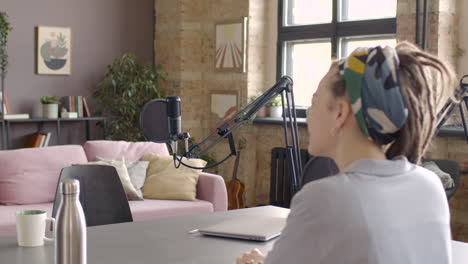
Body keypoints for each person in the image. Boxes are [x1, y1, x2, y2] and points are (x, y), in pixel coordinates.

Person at [236, 41, 457, 264]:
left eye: (314, 103)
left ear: (340, 113)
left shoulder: (323, 198)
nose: (308, 117)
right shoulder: (429, 185)